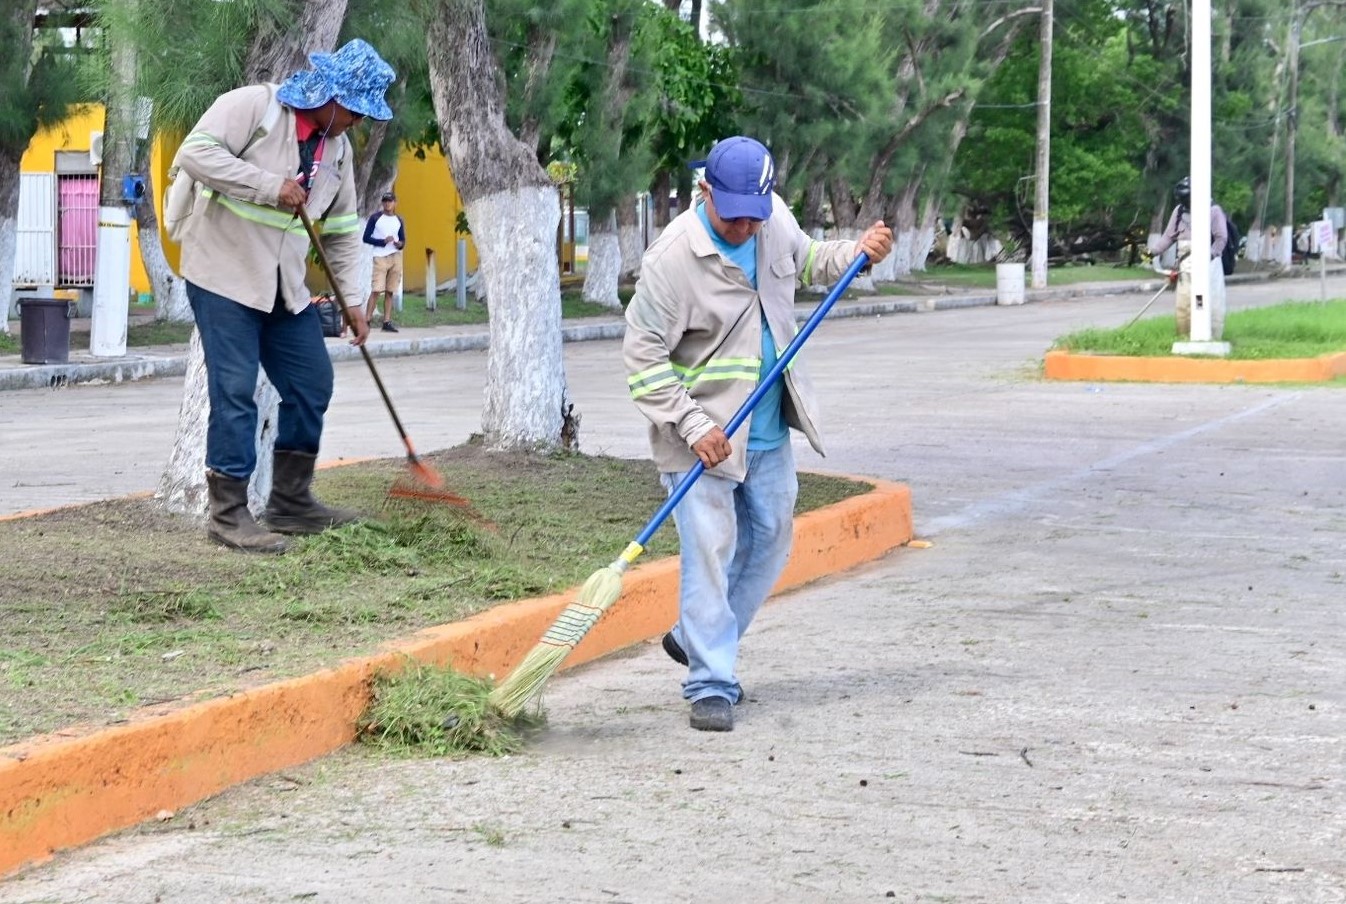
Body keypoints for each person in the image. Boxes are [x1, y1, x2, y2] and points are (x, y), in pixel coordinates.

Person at [622, 136, 893, 732]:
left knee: (771, 539)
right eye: (734, 213)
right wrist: (694, 425)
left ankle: (695, 638)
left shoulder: (772, 220)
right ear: (705, 192)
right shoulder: (671, 259)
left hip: (766, 425)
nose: (747, 225)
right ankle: (710, 682)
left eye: (756, 212)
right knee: (710, 555)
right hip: (700, 437)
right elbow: (642, 359)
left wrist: (858, 252)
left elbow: (811, 258)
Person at [175, 39, 395, 553]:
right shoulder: (253, 106)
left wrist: (354, 303)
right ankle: (228, 514)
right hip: (223, 275)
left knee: (311, 383)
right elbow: (195, 153)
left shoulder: (335, 148)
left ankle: (291, 503)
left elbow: (340, 230)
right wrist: (267, 185)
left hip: (284, 288)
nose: (358, 123)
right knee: (235, 391)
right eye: (356, 112)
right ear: (333, 97)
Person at [1149, 176, 1228, 339]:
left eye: (1187, 198)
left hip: (1208, 265)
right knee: (1184, 303)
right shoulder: (1179, 212)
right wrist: (1153, 251)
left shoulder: (1213, 211)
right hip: (1185, 265)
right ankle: (1184, 336)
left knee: (1207, 302)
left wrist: (1210, 255)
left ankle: (1211, 337)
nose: (1185, 202)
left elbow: (1221, 238)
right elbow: (1169, 236)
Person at [363, 191, 406, 331]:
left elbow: (403, 240)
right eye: (385, 201)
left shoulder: (398, 220)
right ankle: (367, 320)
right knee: (376, 290)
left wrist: (399, 244)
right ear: (382, 203)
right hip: (380, 256)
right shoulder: (375, 218)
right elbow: (366, 238)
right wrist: (382, 241)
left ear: (395, 203)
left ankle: (386, 321)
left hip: (395, 256)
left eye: (390, 201)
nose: (388, 203)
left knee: (390, 290)